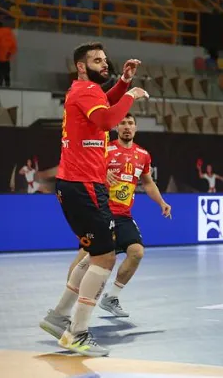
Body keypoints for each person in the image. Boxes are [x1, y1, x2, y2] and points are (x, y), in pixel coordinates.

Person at [38, 42, 148, 357]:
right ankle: (78, 332)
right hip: (82, 184)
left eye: (105, 59)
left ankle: (58, 317)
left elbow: (105, 104)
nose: (105, 63)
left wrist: (123, 83)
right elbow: (105, 121)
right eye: (97, 60)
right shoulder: (85, 91)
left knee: (93, 255)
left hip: (84, 184)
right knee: (104, 258)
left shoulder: (89, 91)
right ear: (82, 66)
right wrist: (131, 95)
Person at [60, 113, 171, 318]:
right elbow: (85, 168)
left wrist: (162, 202)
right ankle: (67, 306)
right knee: (85, 258)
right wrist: (101, 173)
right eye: (122, 123)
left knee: (136, 252)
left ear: (135, 128)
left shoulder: (142, 155)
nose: (127, 127)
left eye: (130, 123)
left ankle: (111, 297)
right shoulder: (105, 150)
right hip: (100, 213)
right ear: (116, 128)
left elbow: (147, 182)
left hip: (123, 215)